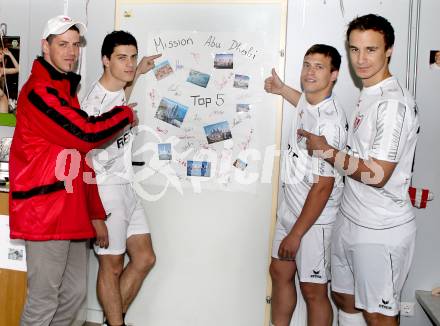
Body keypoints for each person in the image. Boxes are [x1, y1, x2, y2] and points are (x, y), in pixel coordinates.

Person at [9, 15, 136, 326]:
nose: (70, 51)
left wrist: (94, 212)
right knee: (43, 300)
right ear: (45, 47)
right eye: (62, 44)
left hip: (71, 211)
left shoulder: (65, 92)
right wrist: (125, 114)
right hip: (45, 213)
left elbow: (82, 158)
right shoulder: (40, 92)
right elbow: (87, 134)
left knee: (73, 296)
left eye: (76, 44)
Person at [298, 14, 420, 326]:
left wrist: (326, 151)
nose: (361, 59)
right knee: (345, 300)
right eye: (354, 50)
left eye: (371, 50)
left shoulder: (392, 104)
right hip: (350, 220)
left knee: (378, 315)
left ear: (388, 50)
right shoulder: (369, 94)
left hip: (380, 229)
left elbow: (376, 175)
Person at [81, 30, 161, 326]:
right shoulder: (94, 102)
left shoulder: (116, 92)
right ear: (105, 60)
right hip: (105, 190)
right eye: (121, 58)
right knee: (111, 265)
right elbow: (84, 151)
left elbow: (120, 97)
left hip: (126, 185)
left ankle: (110, 320)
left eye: (132, 57)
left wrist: (138, 73)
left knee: (144, 258)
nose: (129, 63)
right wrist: (94, 212)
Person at [264, 44, 347, 326]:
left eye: (319, 67)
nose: (310, 72)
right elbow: (302, 102)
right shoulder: (309, 102)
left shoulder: (330, 123)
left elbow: (323, 186)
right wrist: (281, 88)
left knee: (313, 290)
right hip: (291, 209)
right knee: (279, 273)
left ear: (334, 74)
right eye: (307, 64)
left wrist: (297, 234)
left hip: (314, 221)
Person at [0, 47, 19, 113]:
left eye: (2, 54)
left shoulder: (1, 70)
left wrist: (10, 54)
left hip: (2, 100)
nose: (2, 55)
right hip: (2, 99)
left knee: (4, 121)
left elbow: (18, 69)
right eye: (0, 53)